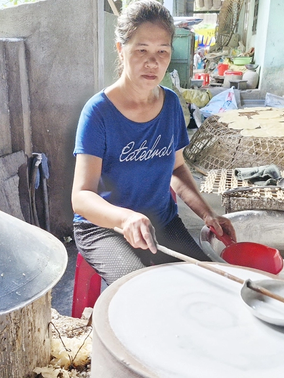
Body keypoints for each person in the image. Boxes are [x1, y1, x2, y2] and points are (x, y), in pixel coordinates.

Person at [71, 0, 235, 285]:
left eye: (162, 52)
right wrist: (124, 220)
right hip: (105, 229)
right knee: (140, 290)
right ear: (121, 50)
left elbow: (177, 169)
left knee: (207, 284)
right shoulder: (98, 112)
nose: (153, 62)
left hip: (161, 221)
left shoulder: (171, 104)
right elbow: (81, 197)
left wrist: (208, 214)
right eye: (141, 50)